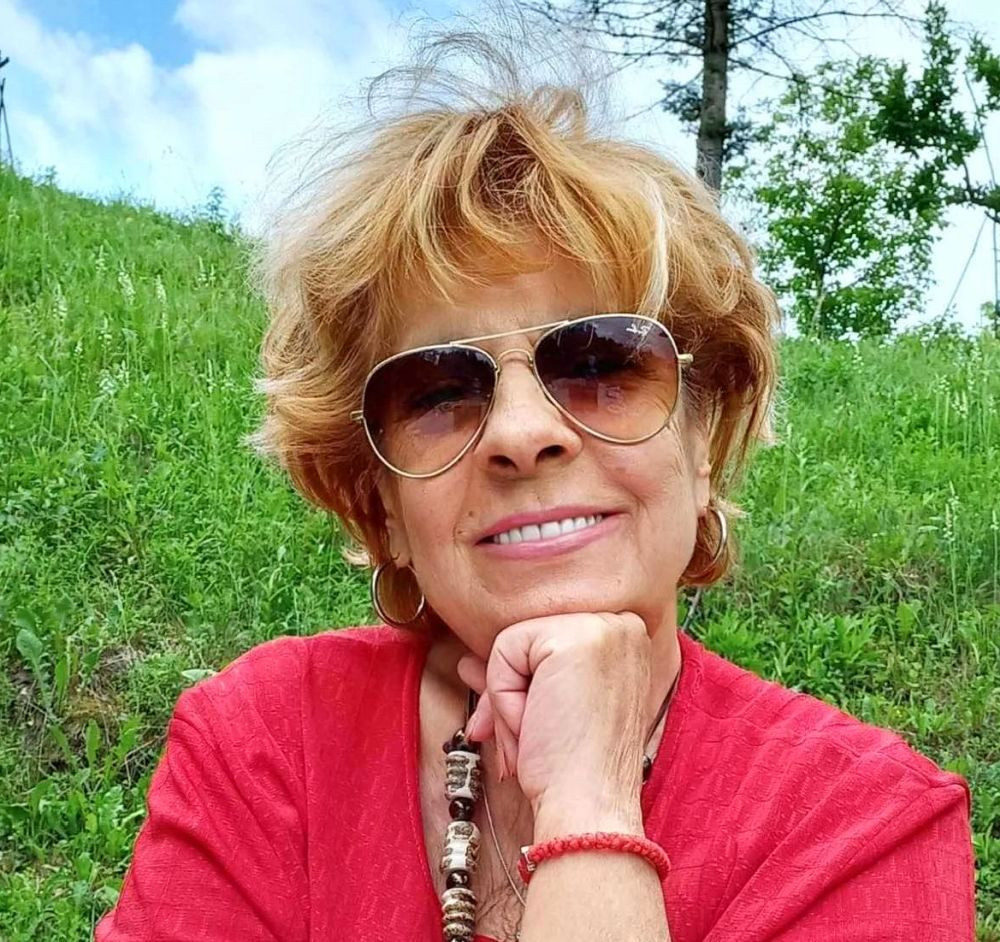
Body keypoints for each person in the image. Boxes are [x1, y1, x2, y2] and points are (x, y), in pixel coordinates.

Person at [94, 10, 975, 942]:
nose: (521, 433)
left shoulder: (862, 821)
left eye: (600, 364)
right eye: (438, 391)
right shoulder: (267, 743)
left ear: (703, 443)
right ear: (382, 505)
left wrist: (589, 800)